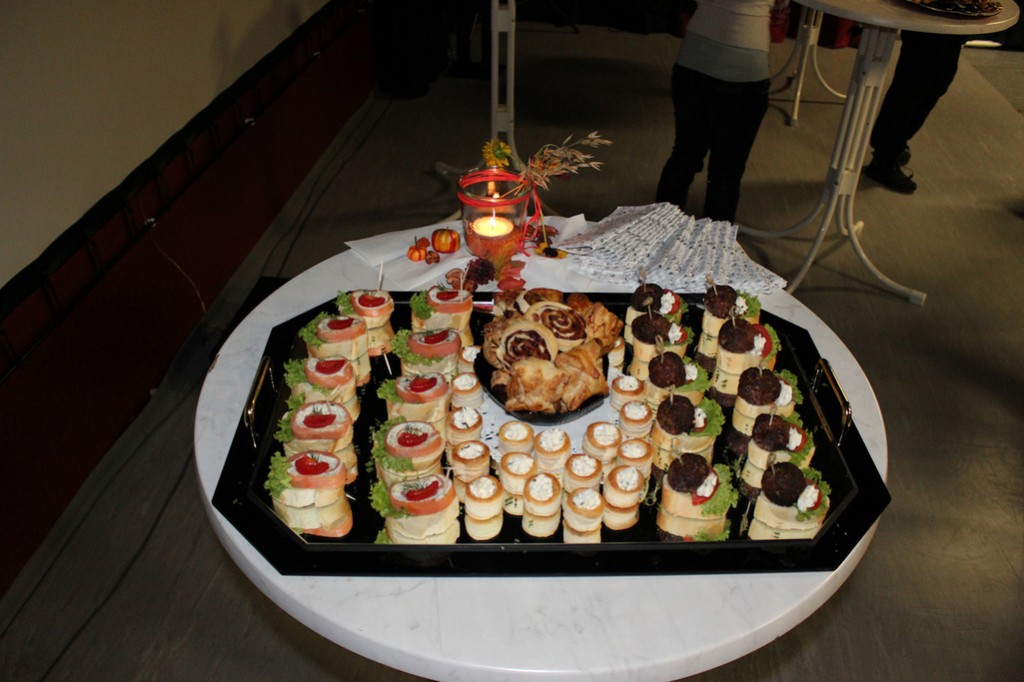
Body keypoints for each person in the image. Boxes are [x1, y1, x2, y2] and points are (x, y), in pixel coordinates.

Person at [656, 0, 774, 223]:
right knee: (726, 175)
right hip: (744, 71)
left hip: (693, 61)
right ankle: (713, 242)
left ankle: (658, 233)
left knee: (684, 156)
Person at [863, 31, 967, 194]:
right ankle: (885, 157)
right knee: (915, 81)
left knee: (939, 77)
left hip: (947, 23)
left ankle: (893, 145)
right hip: (931, 24)